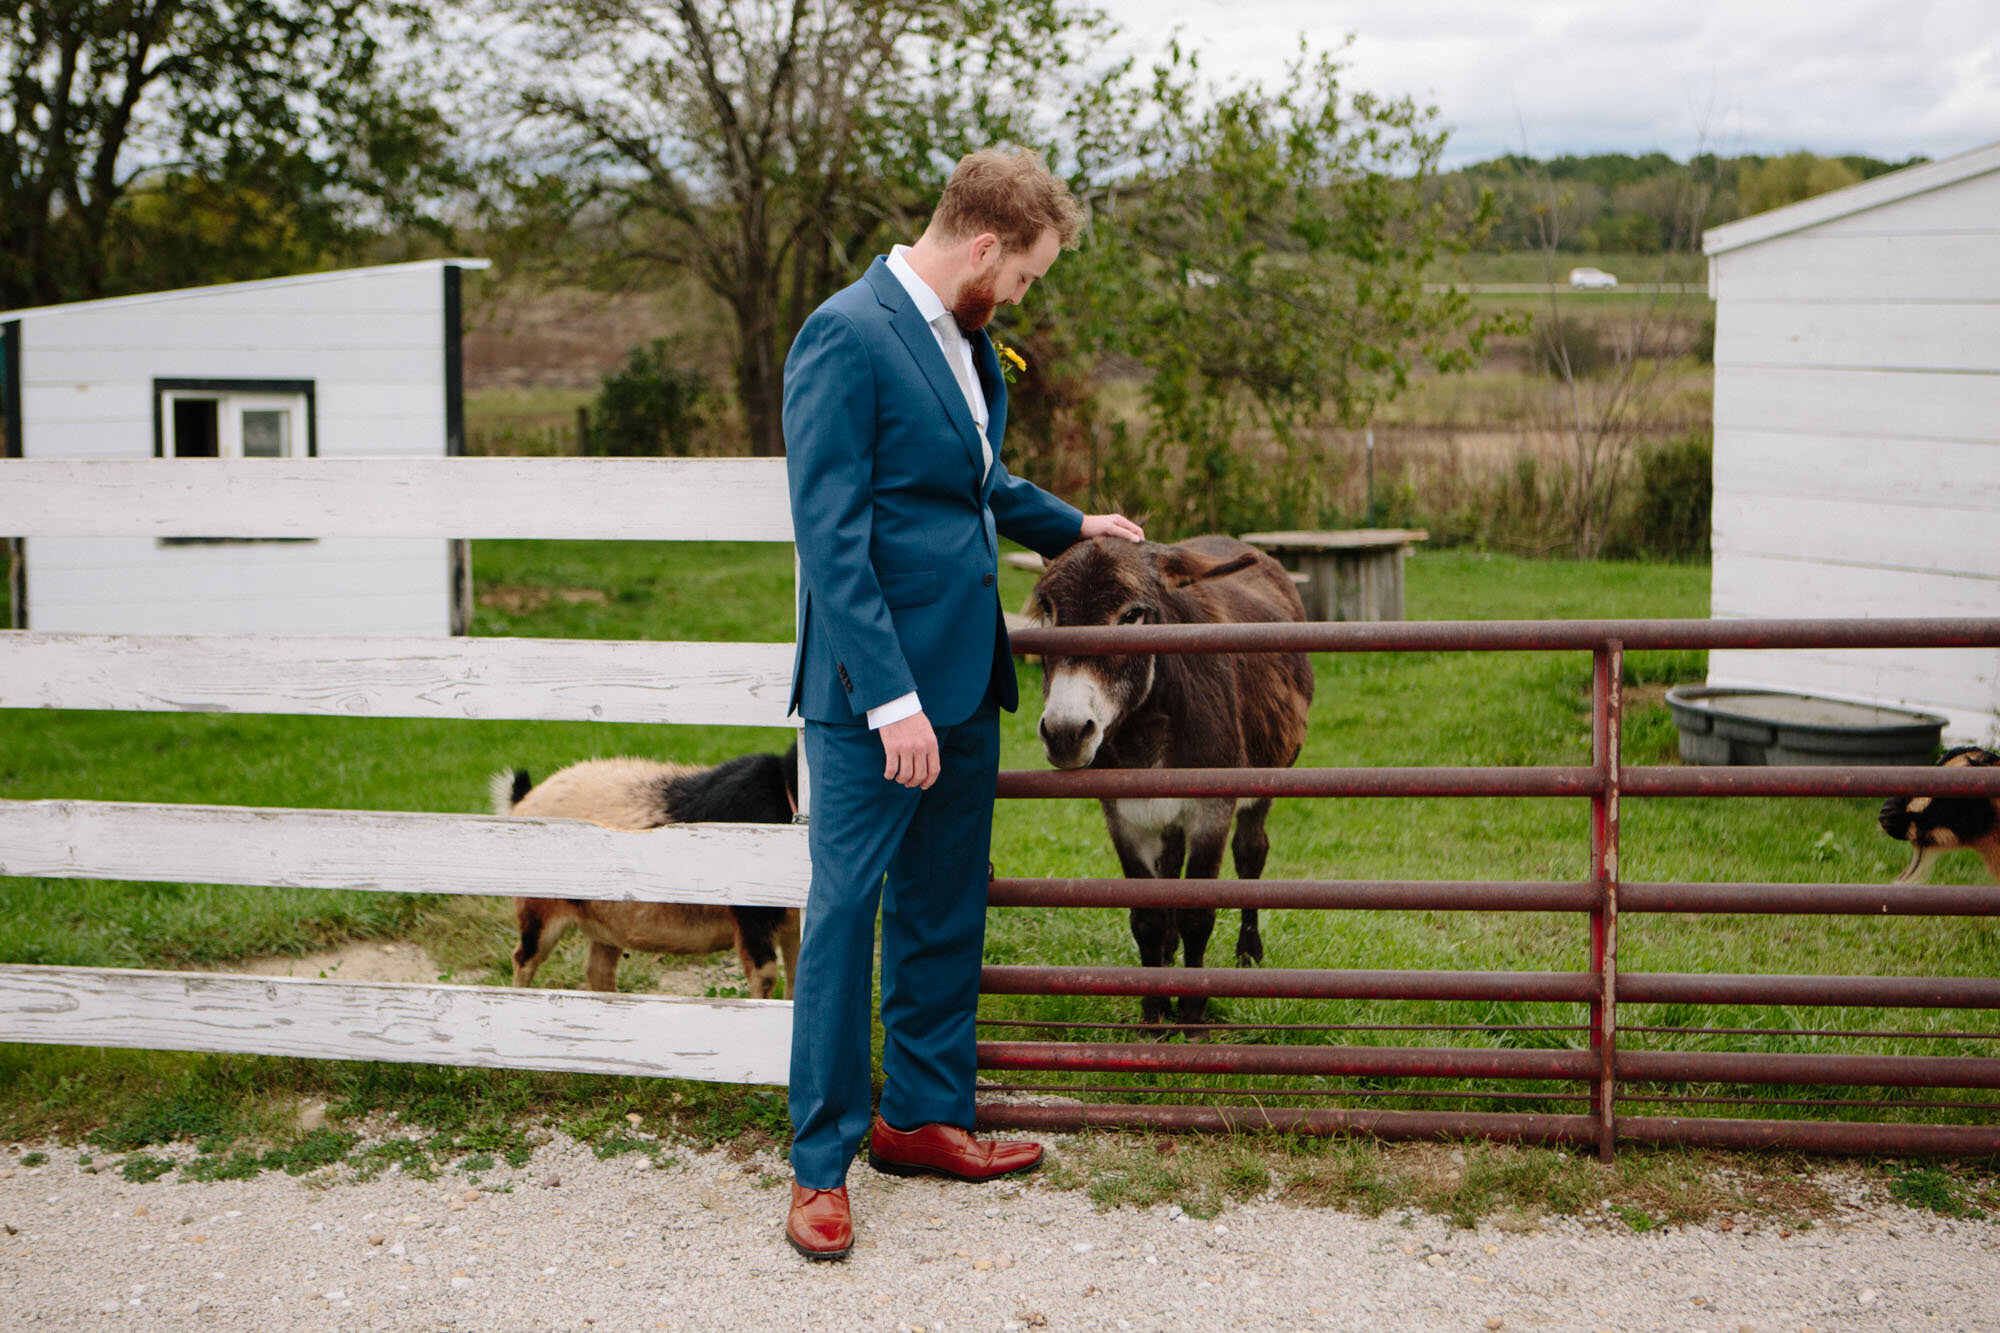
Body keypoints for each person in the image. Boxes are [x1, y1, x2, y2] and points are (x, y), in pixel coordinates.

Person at [780, 148, 1143, 1260]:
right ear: (984, 247)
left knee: (943, 906)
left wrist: (1071, 523)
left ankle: (918, 1118)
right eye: (1026, 275)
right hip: (872, 698)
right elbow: (830, 533)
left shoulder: (963, 338)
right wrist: (888, 700)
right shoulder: (844, 334)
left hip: (965, 683)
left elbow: (971, 479)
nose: (1025, 294)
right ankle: (819, 1163)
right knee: (846, 916)